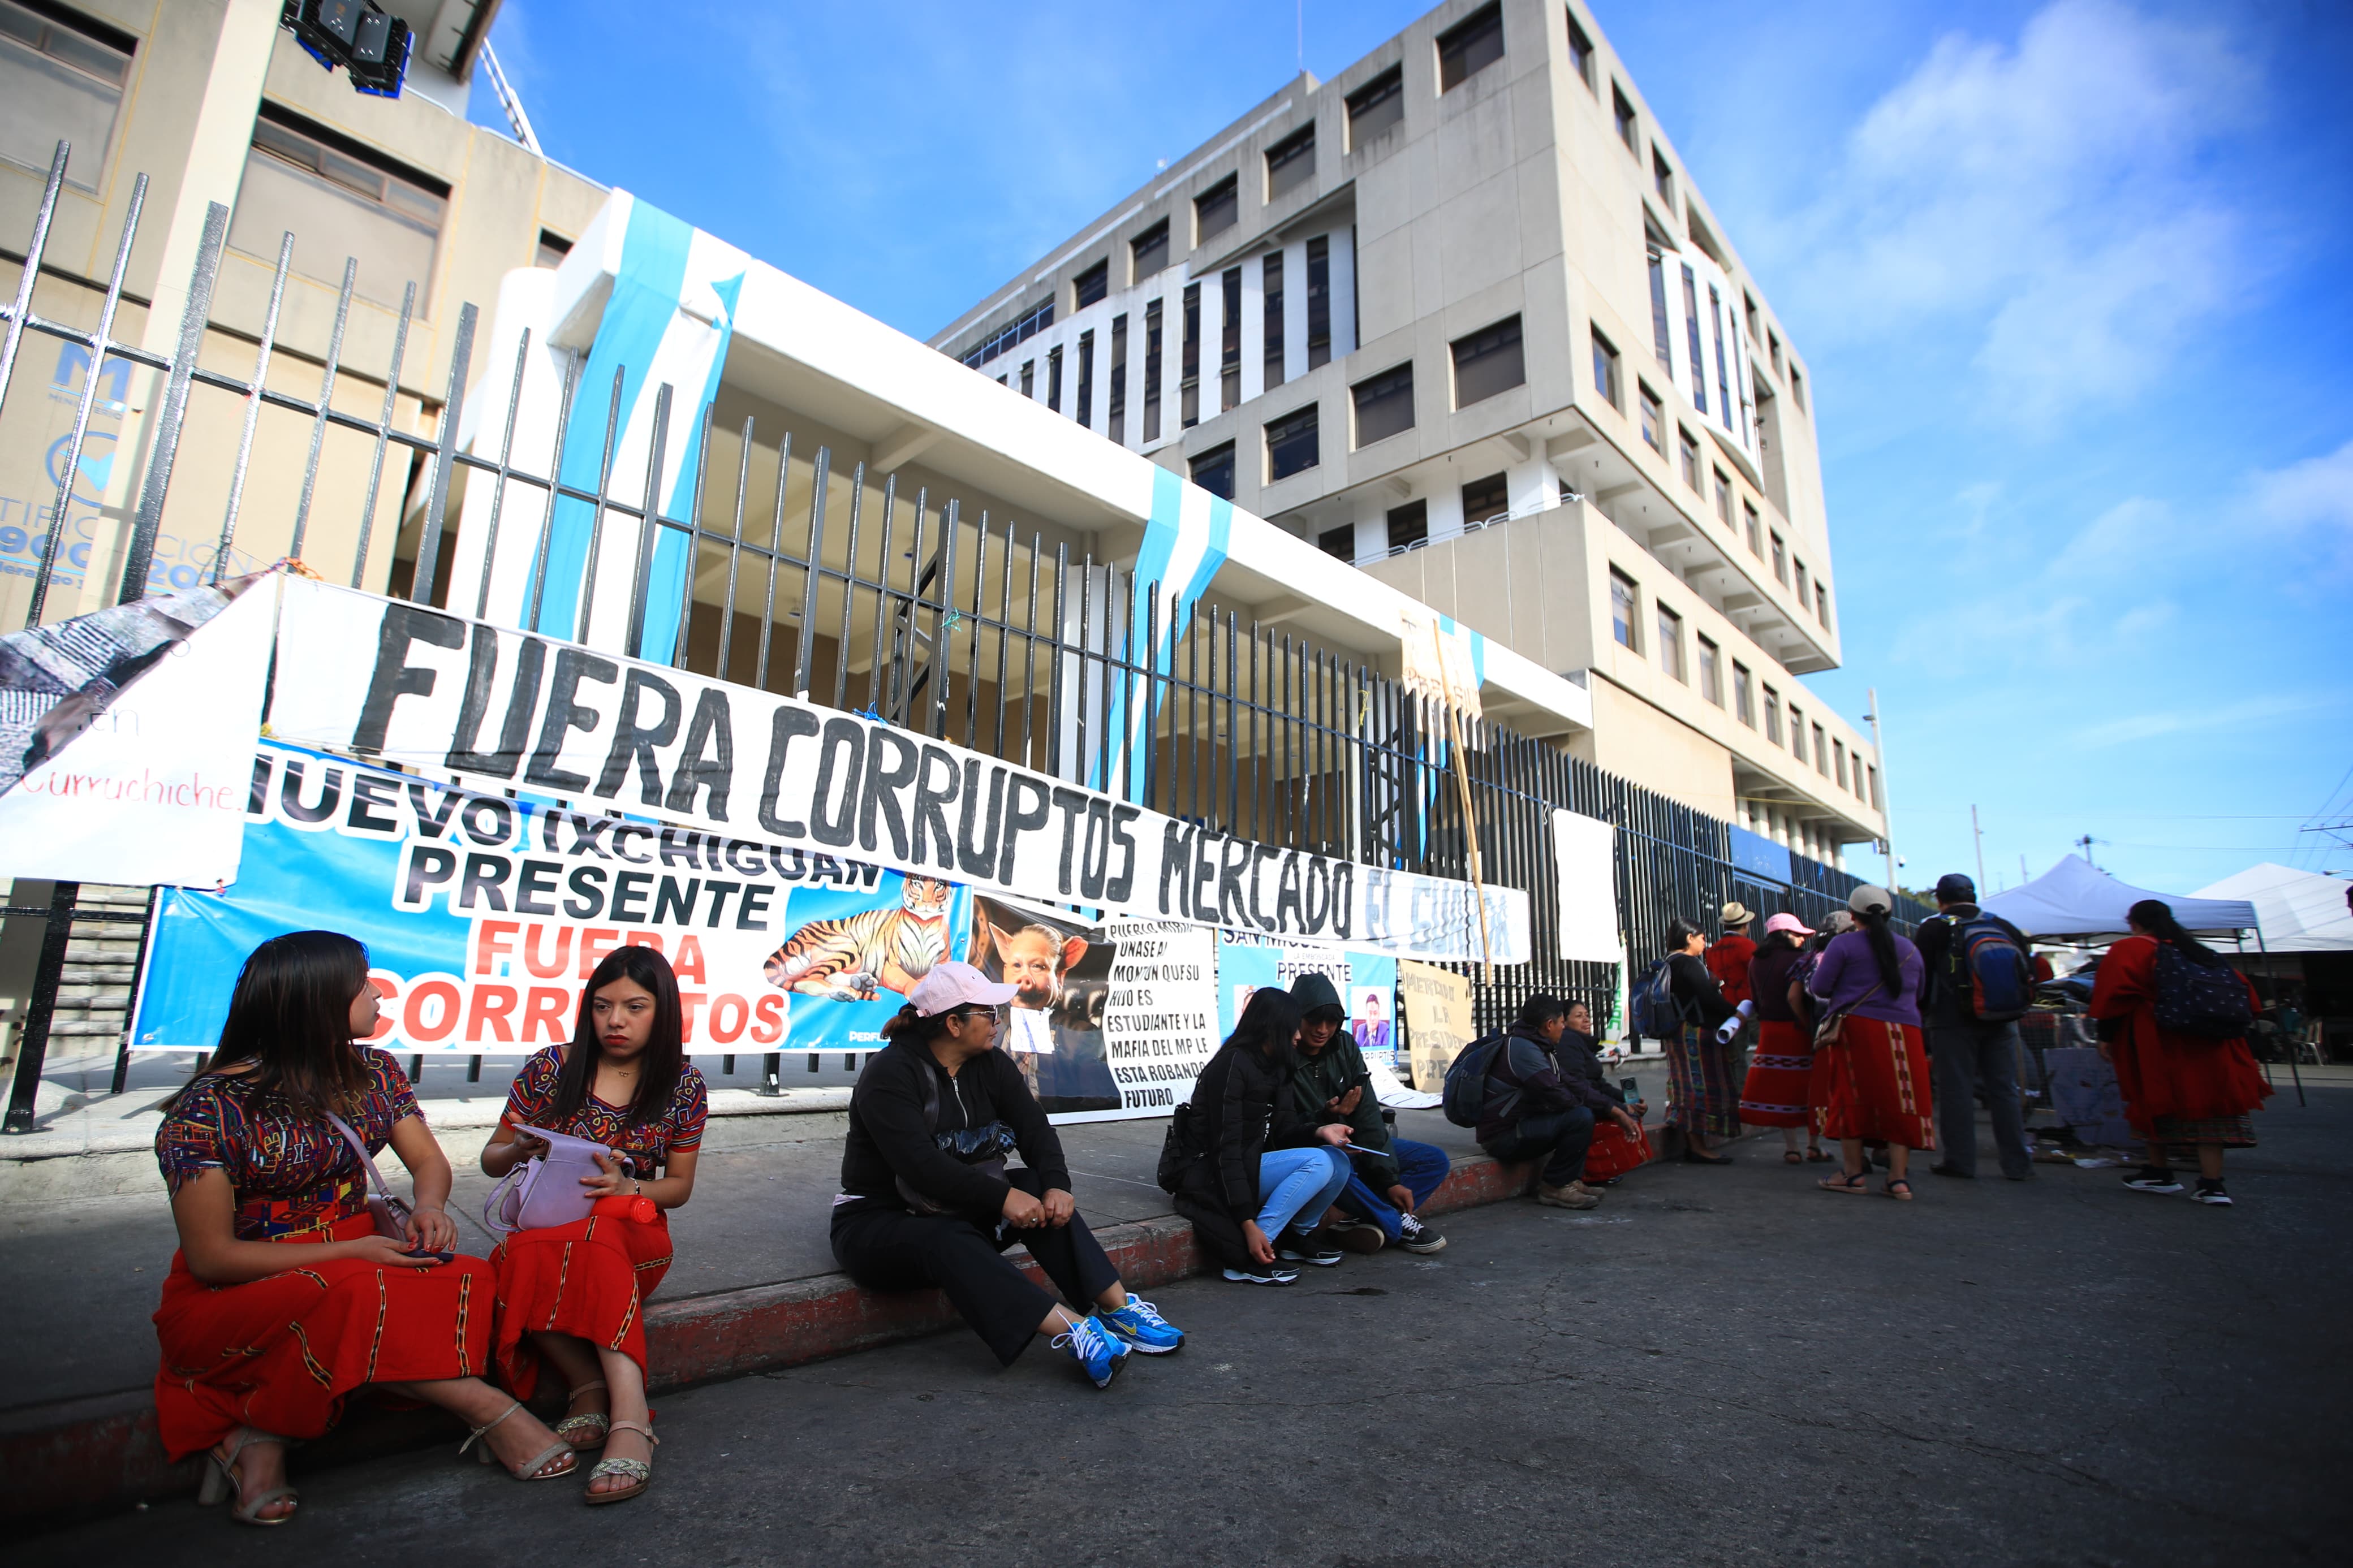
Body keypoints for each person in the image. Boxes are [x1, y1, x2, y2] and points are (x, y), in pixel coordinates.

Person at [152, 932, 576, 1526]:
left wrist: (430, 1207)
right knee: (353, 1289)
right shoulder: (210, 1109)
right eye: (362, 984)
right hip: (246, 1284)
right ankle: (485, 1406)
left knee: (469, 1276)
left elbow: (428, 1161)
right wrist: (352, 1251)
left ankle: (257, 1434)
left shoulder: (372, 1072)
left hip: (359, 1250)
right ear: (318, 1001)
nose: (378, 994)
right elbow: (212, 1259)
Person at [831, 962, 1183, 1384]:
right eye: (989, 1014)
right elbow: (920, 1166)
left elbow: (1034, 1127)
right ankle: (1076, 1332)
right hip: (879, 1223)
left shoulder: (991, 1064)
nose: (998, 1022)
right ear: (954, 1024)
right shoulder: (890, 1075)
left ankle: (1118, 1308)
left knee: (1035, 1186)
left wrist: (1056, 1184)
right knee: (949, 1237)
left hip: (954, 1209)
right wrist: (1002, 1198)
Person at [479, 945, 706, 1504]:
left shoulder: (683, 1083)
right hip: (550, 1231)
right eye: (603, 1006)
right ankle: (587, 1390)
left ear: (663, 1011)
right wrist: (519, 1150)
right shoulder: (551, 1067)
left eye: (634, 1006)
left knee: (598, 1228)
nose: (616, 1021)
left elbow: (678, 1188)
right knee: (523, 1252)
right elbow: (491, 1157)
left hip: (634, 1240)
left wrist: (629, 1187)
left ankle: (629, 1416)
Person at [1164, 987, 1356, 1284]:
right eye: (1294, 1027)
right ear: (1273, 1026)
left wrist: (1321, 1130)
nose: (1299, 1036)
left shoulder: (1277, 1066)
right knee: (1318, 1162)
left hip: (1249, 1163)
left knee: (1337, 1160)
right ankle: (1254, 1250)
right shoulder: (1231, 1066)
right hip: (1207, 1172)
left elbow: (1285, 1130)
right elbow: (1224, 1150)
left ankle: (1297, 1237)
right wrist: (1247, 1223)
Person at [2089, 900, 2270, 1206]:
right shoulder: (2200, 952)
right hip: (2213, 1042)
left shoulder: (2130, 949)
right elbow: (2247, 997)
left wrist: (2105, 1037)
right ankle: (2213, 1185)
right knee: (2212, 1107)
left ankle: (2159, 1173)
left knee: (2154, 1098)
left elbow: (2111, 996)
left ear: (2134, 923)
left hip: (2158, 1039)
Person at [1286, 974, 1449, 1255]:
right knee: (1335, 1167)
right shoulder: (1284, 1051)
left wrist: (1391, 1181)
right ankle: (1396, 1222)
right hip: (1312, 1152)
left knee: (1433, 1161)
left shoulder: (1345, 1045)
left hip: (1353, 1142)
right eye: (1314, 1020)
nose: (1322, 1030)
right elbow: (1283, 1127)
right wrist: (1326, 1119)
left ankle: (1367, 1220)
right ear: (1297, 1018)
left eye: (1331, 1022)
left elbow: (1368, 1115)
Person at [1809, 887, 1934, 1199]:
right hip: (1906, 1031)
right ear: (1889, 915)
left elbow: (1820, 987)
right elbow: (1920, 995)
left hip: (1857, 1030)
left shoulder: (1843, 944)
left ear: (1852, 915)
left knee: (1849, 1096)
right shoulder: (1909, 949)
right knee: (1902, 1100)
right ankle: (1898, 1179)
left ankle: (1853, 1175)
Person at [1915, 873, 2034, 1183]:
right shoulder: (2003, 926)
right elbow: (2028, 972)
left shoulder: (1934, 928)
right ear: (1975, 896)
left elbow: (1921, 976)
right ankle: (2018, 1163)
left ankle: (1960, 1161)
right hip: (2002, 1017)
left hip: (1951, 1020)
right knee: (2004, 1090)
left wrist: (1923, 1013)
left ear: (1940, 900)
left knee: (1957, 1090)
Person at [1477, 994, 1644, 1209]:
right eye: (1562, 1023)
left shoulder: (1536, 1046)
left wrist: (1616, 1110)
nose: (1564, 1029)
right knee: (1581, 1116)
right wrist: (1607, 1110)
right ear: (1549, 1024)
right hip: (1503, 1137)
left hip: (1521, 1127)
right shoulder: (1523, 1051)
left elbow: (1573, 1084)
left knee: (1582, 1111)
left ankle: (1570, 1180)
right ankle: (1555, 1186)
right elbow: (1557, 1093)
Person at [1738, 913, 1828, 1164]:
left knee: (1781, 1091)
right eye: (1798, 934)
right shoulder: (1802, 960)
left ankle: (1792, 1148)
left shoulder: (1756, 962)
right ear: (1785, 935)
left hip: (1770, 1031)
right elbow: (1803, 997)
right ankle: (1813, 1145)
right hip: (1798, 1029)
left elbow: (1754, 997)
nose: (1802, 939)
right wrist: (1806, 1023)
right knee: (1809, 1089)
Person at [1662, 918, 1741, 1162]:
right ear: (1690, 938)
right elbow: (1707, 998)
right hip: (1696, 1033)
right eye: (1703, 938)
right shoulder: (1689, 963)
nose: (1705, 944)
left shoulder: (1666, 963)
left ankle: (1694, 1143)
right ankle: (1698, 1147)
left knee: (1684, 1088)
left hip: (1676, 1032)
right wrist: (1735, 1013)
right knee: (1700, 1088)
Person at [1559, 1000, 1653, 1183]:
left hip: (1590, 1101)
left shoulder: (1579, 1042)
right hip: (1578, 1108)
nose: (1586, 1020)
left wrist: (1629, 1100)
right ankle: (1593, 1174)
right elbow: (1582, 1088)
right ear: (1564, 1022)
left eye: (1587, 1015)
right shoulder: (1568, 1042)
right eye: (1579, 1016)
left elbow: (1599, 1084)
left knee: (1632, 1116)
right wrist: (1620, 1108)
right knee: (1623, 1122)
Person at [1706, 901, 1758, 1024]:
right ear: (1745, 925)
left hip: (1725, 1007)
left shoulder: (1711, 951)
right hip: (1749, 1007)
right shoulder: (1748, 946)